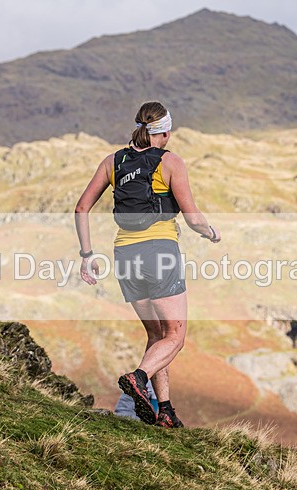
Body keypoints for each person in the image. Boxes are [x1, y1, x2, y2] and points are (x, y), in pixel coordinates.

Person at [75, 101, 220, 428]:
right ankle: (138, 377)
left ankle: (165, 410)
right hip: (160, 252)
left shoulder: (112, 161)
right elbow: (192, 216)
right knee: (176, 336)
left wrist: (87, 256)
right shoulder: (171, 162)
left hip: (125, 254)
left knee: (156, 334)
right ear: (165, 132)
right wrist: (210, 232)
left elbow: (81, 208)